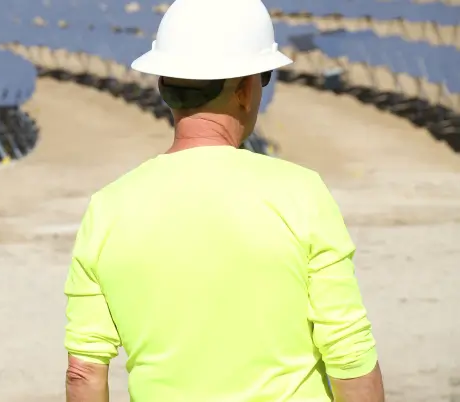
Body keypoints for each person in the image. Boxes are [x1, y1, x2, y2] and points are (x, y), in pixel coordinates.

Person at [63, 1, 385, 401]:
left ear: (164, 86)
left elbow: (84, 371)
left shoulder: (107, 208)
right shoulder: (302, 194)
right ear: (246, 91)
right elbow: (349, 355)